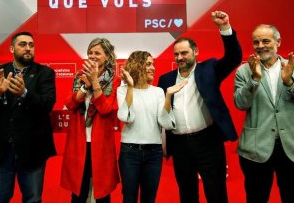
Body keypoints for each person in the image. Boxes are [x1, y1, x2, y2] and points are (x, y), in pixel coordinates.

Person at [158, 11, 242, 203]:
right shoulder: (165, 80)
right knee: (187, 195)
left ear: (195, 52)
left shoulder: (209, 69)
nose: (180, 57)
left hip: (209, 142)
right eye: (176, 54)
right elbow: (161, 114)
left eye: (184, 52)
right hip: (179, 146)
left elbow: (234, 58)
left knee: (216, 193)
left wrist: (225, 28)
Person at [0, 31, 56, 203]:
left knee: (33, 199)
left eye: (31, 45)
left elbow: (47, 104)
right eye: (23, 44)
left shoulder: (45, 73)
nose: (28, 48)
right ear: (12, 48)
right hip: (1, 151)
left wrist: (25, 94)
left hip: (32, 150)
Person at [234, 24, 294, 203]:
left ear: (278, 42)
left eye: (265, 41)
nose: (260, 46)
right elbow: (240, 104)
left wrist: (291, 82)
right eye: (256, 42)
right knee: (256, 198)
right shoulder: (244, 71)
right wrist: (254, 80)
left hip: (293, 147)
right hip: (255, 148)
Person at [117, 51, 187, 203]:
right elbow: (126, 117)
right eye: (148, 64)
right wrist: (130, 87)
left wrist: (168, 96)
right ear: (137, 65)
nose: (153, 68)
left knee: (149, 199)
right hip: (130, 153)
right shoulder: (122, 90)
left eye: (153, 64)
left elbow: (166, 123)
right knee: (129, 198)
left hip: (154, 154)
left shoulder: (158, 92)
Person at [61, 38, 120, 203]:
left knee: (102, 191)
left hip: (101, 143)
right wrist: (84, 86)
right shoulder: (79, 76)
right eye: (90, 53)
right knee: (79, 189)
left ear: (107, 56)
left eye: (97, 53)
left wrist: (94, 82)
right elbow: (70, 104)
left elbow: (106, 108)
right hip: (79, 141)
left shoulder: (114, 80)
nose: (92, 56)